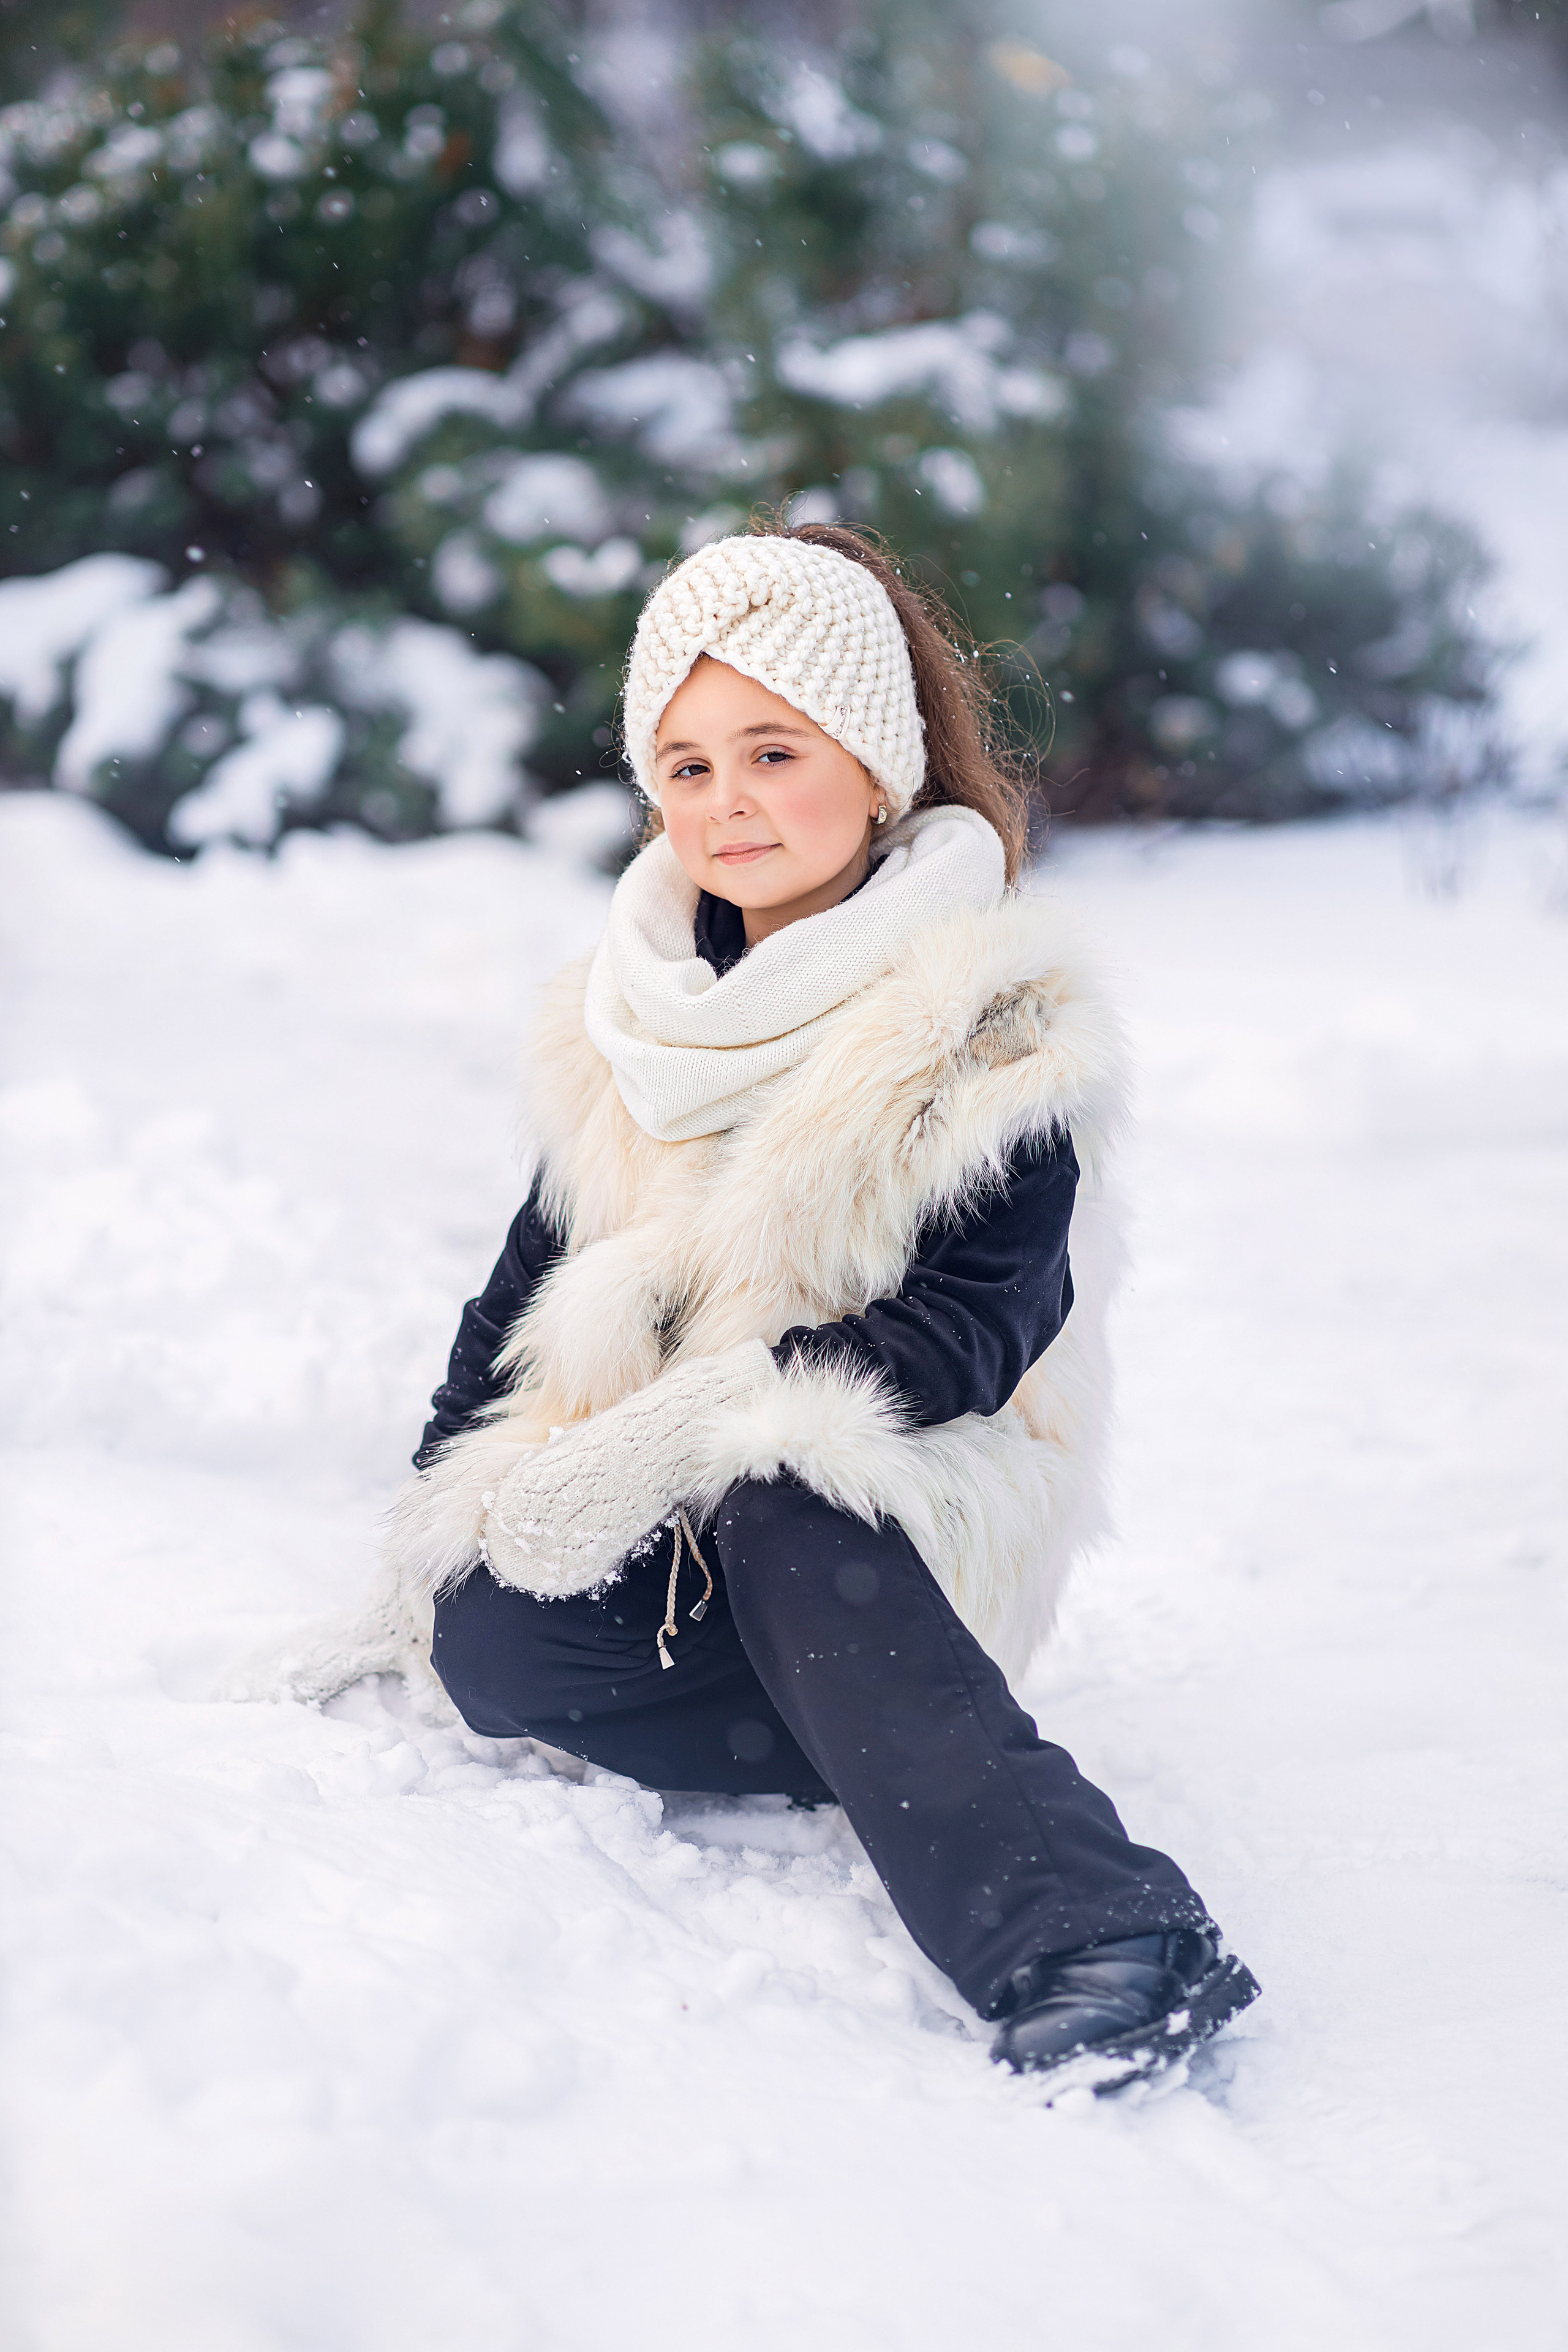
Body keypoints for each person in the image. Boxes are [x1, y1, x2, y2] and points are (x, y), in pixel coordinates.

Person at [287, 522, 1259, 2087]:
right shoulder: (621, 1023)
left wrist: (693, 1426)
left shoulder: (988, 1016)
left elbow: (968, 1332)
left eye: (768, 751)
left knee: (781, 1477)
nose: (724, 804)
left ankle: (1096, 1930)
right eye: (681, 768)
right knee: (492, 1654)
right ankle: (871, 1742)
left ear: (872, 768)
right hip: (687, 1538)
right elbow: (519, 1301)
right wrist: (433, 1533)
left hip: (897, 1517)